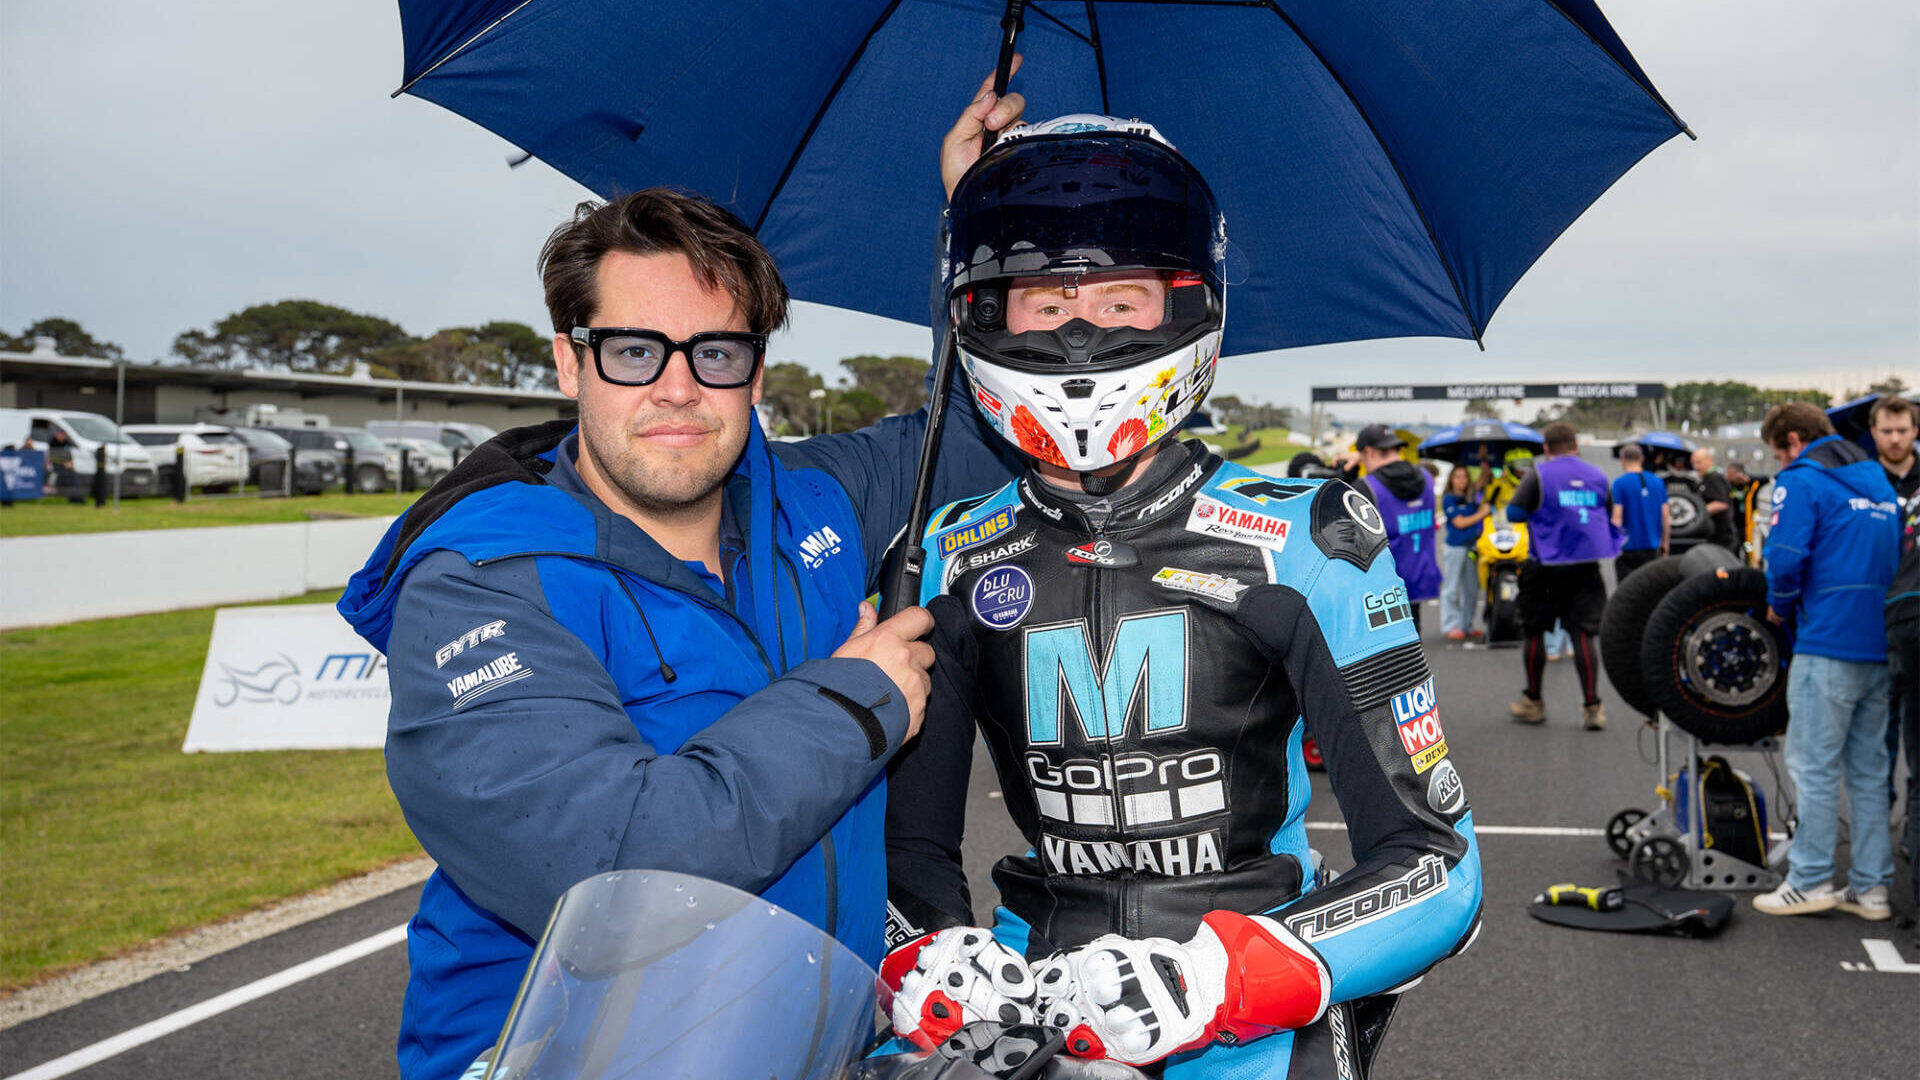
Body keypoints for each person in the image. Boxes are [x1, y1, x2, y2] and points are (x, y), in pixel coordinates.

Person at [337, 179, 1021, 1078]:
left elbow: (973, 437)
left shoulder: (813, 499)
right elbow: (609, 868)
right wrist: (857, 704)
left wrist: (978, 220)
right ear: (570, 363)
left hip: (814, 1050)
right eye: (634, 352)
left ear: (756, 372)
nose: (677, 388)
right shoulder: (481, 583)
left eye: (716, 353)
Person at [881, 115, 1481, 1075]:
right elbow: (902, 850)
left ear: (1188, 303)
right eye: (1044, 301)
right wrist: (923, 950)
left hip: (1251, 1017)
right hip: (1025, 1006)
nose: (1080, 328)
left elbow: (1436, 865)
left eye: (1121, 299)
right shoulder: (941, 554)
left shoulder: (1310, 535)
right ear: (985, 314)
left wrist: (1225, 974)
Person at [1751, 402, 1901, 920]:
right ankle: (1872, 888)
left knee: (1812, 767)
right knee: (1869, 773)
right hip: (1881, 642)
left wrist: (1778, 604)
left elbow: (1785, 555)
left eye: (1778, 453)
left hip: (1828, 642)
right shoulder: (1880, 482)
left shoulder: (1802, 479)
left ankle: (1810, 878)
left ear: (1793, 440)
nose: (1780, 462)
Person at [1503, 423, 1618, 729]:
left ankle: (1533, 702)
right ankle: (1593, 707)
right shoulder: (1597, 476)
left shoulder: (1538, 475)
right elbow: (1606, 511)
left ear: (1546, 448)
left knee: (1535, 632)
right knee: (1582, 635)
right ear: (1576, 445)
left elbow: (1514, 513)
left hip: (1544, 564)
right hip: (1585, 565)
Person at [1869, 395, 1918, 811]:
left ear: (1915, 431)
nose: (1896, 439)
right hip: (1877, 619)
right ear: (1874, 433)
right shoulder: (1864, 482)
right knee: (1881, 726)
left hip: (1916, 616)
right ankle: (1879, 814)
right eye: (1887, 431)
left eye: (1902, 430)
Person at [1356, 424, 1442, 634]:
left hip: (1384, 590)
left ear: (1369, 452)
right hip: (1420, 576)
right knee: (1414, 640)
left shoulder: (1365, 487)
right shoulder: (1426, 478)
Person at [1441, 462, 1491, 639]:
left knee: (1471, 589)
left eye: (1464, 477)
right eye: (1457, 477)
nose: (1461, 480)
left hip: (1471, 547)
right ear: (1451, 479)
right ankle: (1451, 625)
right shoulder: (1448, 499)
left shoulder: (1471, 497)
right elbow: (1459, 523)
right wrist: (1481, 514)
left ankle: (1467, 625)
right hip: (1455, 548)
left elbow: (1483, 479)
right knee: (1452, 588)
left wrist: (1484, 461)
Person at [1610, 443, 1670, 579]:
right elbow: (1666, 517)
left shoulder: (1619, 483)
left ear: (1622, 459)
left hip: (1628, 548)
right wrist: (1665, 542)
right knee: (1650, 587)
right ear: (1642, 459)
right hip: (1652, 547)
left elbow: (1617, 517)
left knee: (1627, 588)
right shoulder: (1658, 482)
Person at [1692, 446, 1737, 551]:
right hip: (1713, 538)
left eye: (1699, 463)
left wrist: (1696, 515)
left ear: (1709, 461)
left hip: (1722, 540)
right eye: (1693, 463)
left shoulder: (1715, 478)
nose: (1695, 467)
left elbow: (1721, 504)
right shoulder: (1705, 479)